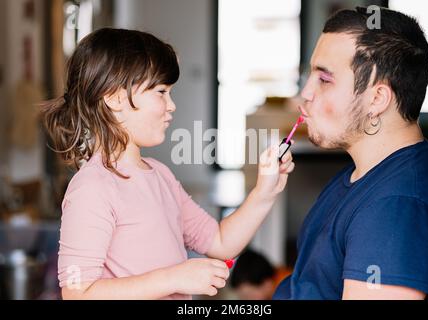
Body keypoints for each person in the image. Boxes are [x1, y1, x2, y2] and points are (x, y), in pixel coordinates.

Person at [40, 28, 294, 300]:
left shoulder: (160, 175)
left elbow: (220, 242)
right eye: (161, 92)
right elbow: (77, 294)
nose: (171, 105)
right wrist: (174, 277)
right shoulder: (92, 188)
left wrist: (263, 193)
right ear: (114, 97)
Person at [273, 7, 428, 300]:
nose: (305, 92)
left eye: (324, 79)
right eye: (309, 75)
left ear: (377, 99)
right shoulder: (360, 175)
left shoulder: (396, 209)